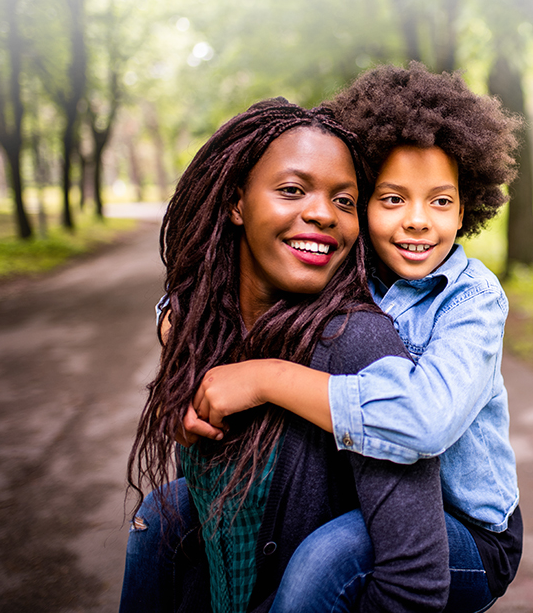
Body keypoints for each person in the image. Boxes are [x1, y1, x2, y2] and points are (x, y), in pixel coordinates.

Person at [187, 65, 523, 613]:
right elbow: (214, 294)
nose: (418, 221)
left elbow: (426, 419)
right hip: (370, 498)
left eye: (440, 201)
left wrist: (266, 378)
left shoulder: (473, 300)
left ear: (465, 209)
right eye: (393, 199)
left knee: (332, 556)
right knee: (174, 517)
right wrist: (191, 368)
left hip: (470, 534)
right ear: (363, 204)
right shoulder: (348, 271)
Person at [121, 97, 450, 613]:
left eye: (344, 201)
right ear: (236, 203)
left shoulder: (357, 345)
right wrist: (178, 380)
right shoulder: (205, 326)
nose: (322, 213)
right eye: (292, 190)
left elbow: (416, 584)